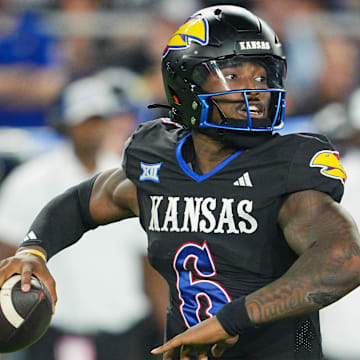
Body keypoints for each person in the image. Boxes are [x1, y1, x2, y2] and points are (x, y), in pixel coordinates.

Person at [0, 5, 359, 360]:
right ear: (185, 84)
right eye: (234, 76)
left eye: (262, 76)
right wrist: (34, 250)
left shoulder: (288, 164)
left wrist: (231, 320)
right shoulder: (159, 159)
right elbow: (83, 202)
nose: (255, 91)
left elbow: (345, 260)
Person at [0, 75, 166, 360]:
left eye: (99, 119)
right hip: (51, 328)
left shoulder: (130, 178)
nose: (92, 129)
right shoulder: (30, 180)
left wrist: (167, 328)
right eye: (85, 119)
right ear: (66, 123)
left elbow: (149, 263)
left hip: (123, 328)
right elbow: (6, 255)